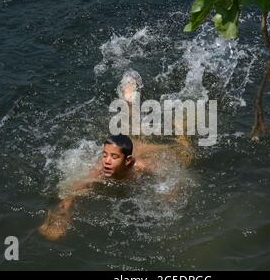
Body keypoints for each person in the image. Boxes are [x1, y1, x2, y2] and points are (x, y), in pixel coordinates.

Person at [39, 73, 193, 241]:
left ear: (127, 161)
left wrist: (169, 197)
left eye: (112, 157)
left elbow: (172, 175)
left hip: (149, 152)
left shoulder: (143, 165)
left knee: (186, 154)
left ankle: (182, 125)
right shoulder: (101, 168)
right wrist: (59, 220)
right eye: (104, 155)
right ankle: (129, 98)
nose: (106, 160)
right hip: (128, 148)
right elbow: (72, 194)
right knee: (133, 132)